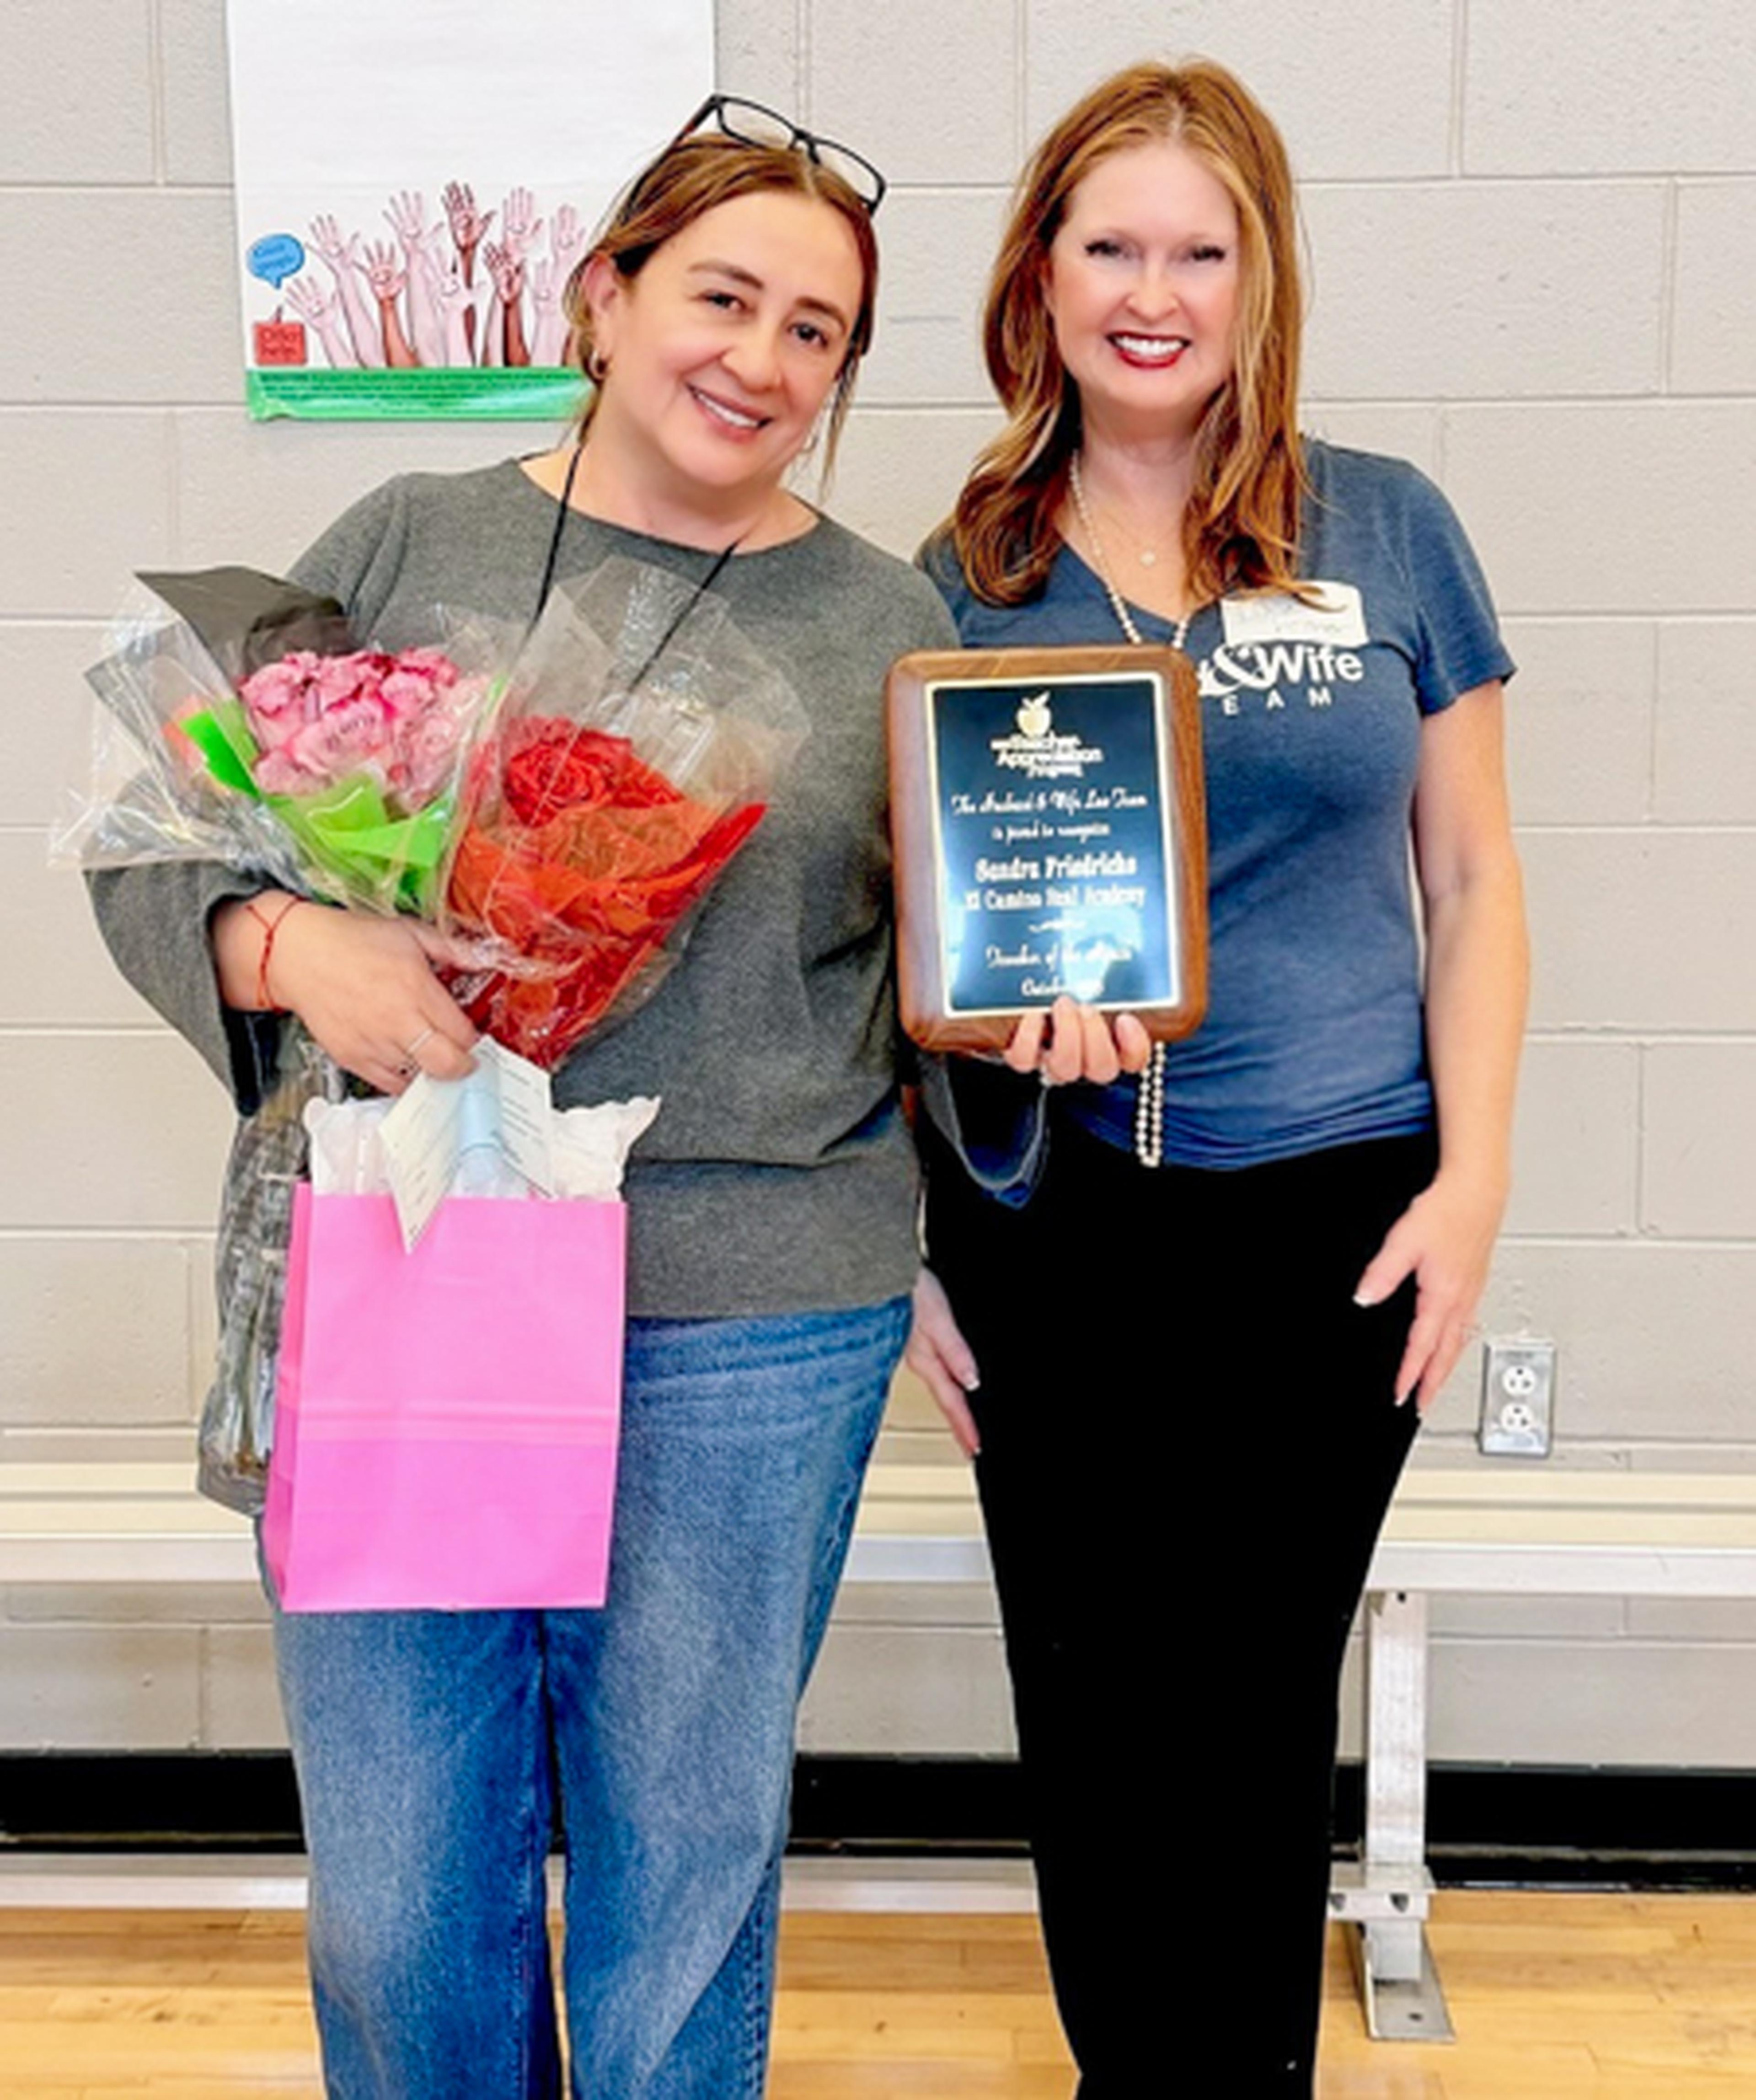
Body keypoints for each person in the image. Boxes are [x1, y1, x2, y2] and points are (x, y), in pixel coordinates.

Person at [90, 98, 956, 2100]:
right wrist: (302, 950)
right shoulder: (407, 538)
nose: (760, 357)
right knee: (400, 1884)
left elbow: (935, 986)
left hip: (751, 1312)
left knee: (685, 1871)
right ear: (605, 294)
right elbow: (155, 845)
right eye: (722, 295)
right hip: (412, 1275)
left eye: (816, 331)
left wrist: (1040, 1026)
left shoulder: (890, 623)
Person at [905, 59, 1529, 2097]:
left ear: (1262, 276)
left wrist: (1475, 1187)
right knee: (1091, 1712)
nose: (1152, 290)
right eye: (1111, 244)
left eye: (1201, 245)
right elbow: (890, 940)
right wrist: (924, 1191)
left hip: (1328, 1216)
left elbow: (1474, 870)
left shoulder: (1388, 529)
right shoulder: (965, 569)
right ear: (1043, 275)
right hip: (1051, 1222)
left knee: (1254, 1715)